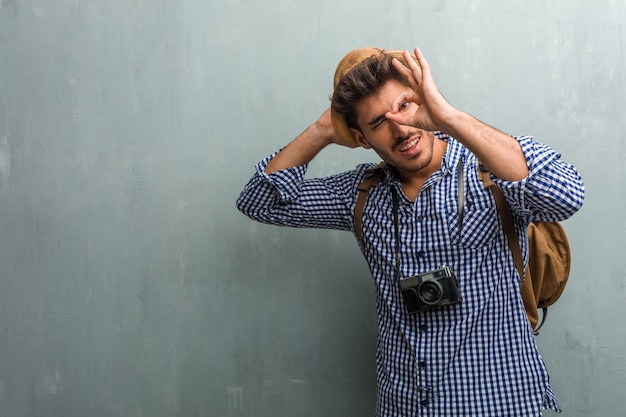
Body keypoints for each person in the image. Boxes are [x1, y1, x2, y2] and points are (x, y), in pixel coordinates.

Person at [236, 46, 585, 416]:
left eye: (404, 106)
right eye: (377, 123)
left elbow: (565, 195)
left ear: (422, 98)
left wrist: (448, 117)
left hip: (497, 402)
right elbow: (259, 201)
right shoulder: (360, 195)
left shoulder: (490, 170)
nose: (401, 129)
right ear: (360, 138)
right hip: (403, 406)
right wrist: (323, 129)